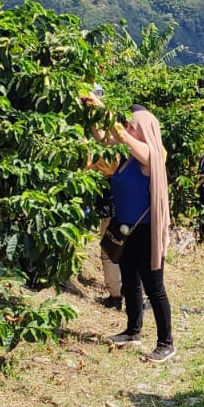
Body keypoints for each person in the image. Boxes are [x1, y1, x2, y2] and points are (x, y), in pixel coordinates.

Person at [87, 96, 176, 363]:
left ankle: (166, 343)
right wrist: (91, 112)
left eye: (132, 125)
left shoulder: (152, 156)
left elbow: (123, 138)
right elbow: (104, 138)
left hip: (147, 231)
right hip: (126, 229)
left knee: (154, 287)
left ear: (145, 129)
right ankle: (133, 330)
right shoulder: (126, 159)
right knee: (130, 281)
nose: (126, 127)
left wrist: (102, 107)